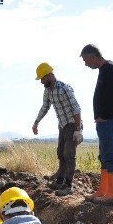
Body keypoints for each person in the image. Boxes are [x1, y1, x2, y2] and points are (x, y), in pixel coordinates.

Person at [80, 44, 113, 205]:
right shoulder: (105, 70)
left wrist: (104, 116)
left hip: (111, 121)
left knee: (111, 155)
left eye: (86, 60)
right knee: (105, 156)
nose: (86, 64)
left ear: (92, 56)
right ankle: (104, 191)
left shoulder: (110, 69)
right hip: (107, 121)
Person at [32, 62, 84, 196]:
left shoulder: (64, 88)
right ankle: (59, 181)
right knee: (61, 153)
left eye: (43, 78)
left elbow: (76, 109)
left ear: (49, 75)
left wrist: (78, 130)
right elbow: (45, 107)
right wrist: (36, 122)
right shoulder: (47, 91)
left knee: (69, 154)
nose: (42, 82)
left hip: (73, 125)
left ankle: (68, 185)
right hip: (62, 125)